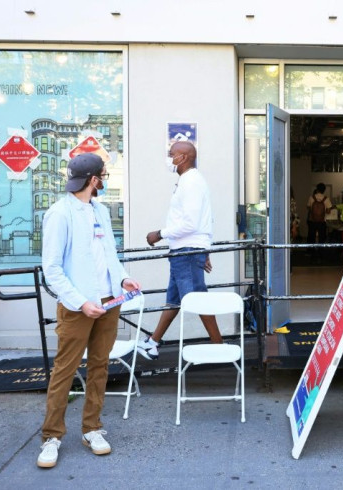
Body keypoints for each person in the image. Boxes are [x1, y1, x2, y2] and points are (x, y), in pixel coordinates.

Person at [38, 153, 141, 468]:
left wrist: (123, 278)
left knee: (100, 367)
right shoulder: (59, 214)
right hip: (77, 306)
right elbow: (52, 269)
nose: (105, 178)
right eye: (104, 174)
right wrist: (81, 301)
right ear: (94, 179)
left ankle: (92, 428)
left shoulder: (100, 211)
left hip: (108, 301)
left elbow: (109, 253)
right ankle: (52, 437)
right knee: (64, 372)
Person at [140, 141, 222, 360]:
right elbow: (205, 219)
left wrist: (159, 234)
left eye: (171, 154)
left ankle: (219, 346)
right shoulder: (190, 180)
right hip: (187, 250)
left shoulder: (191, 182)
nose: (168, 158)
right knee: (174, 299)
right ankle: (153, 342)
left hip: (186, 251)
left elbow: (191, 223)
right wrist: (205, 248)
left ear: (183, 157)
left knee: (196, 298)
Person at [306, 182, 332, 252]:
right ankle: (321, 253)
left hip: (312, 221)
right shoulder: (326, 199)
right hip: (322, 222)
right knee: (322, 238)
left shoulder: (312, 197)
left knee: (312, 238)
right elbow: (329, 211)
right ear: (324, 190)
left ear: (317, 189)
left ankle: (311, 253)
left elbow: (308, 208)